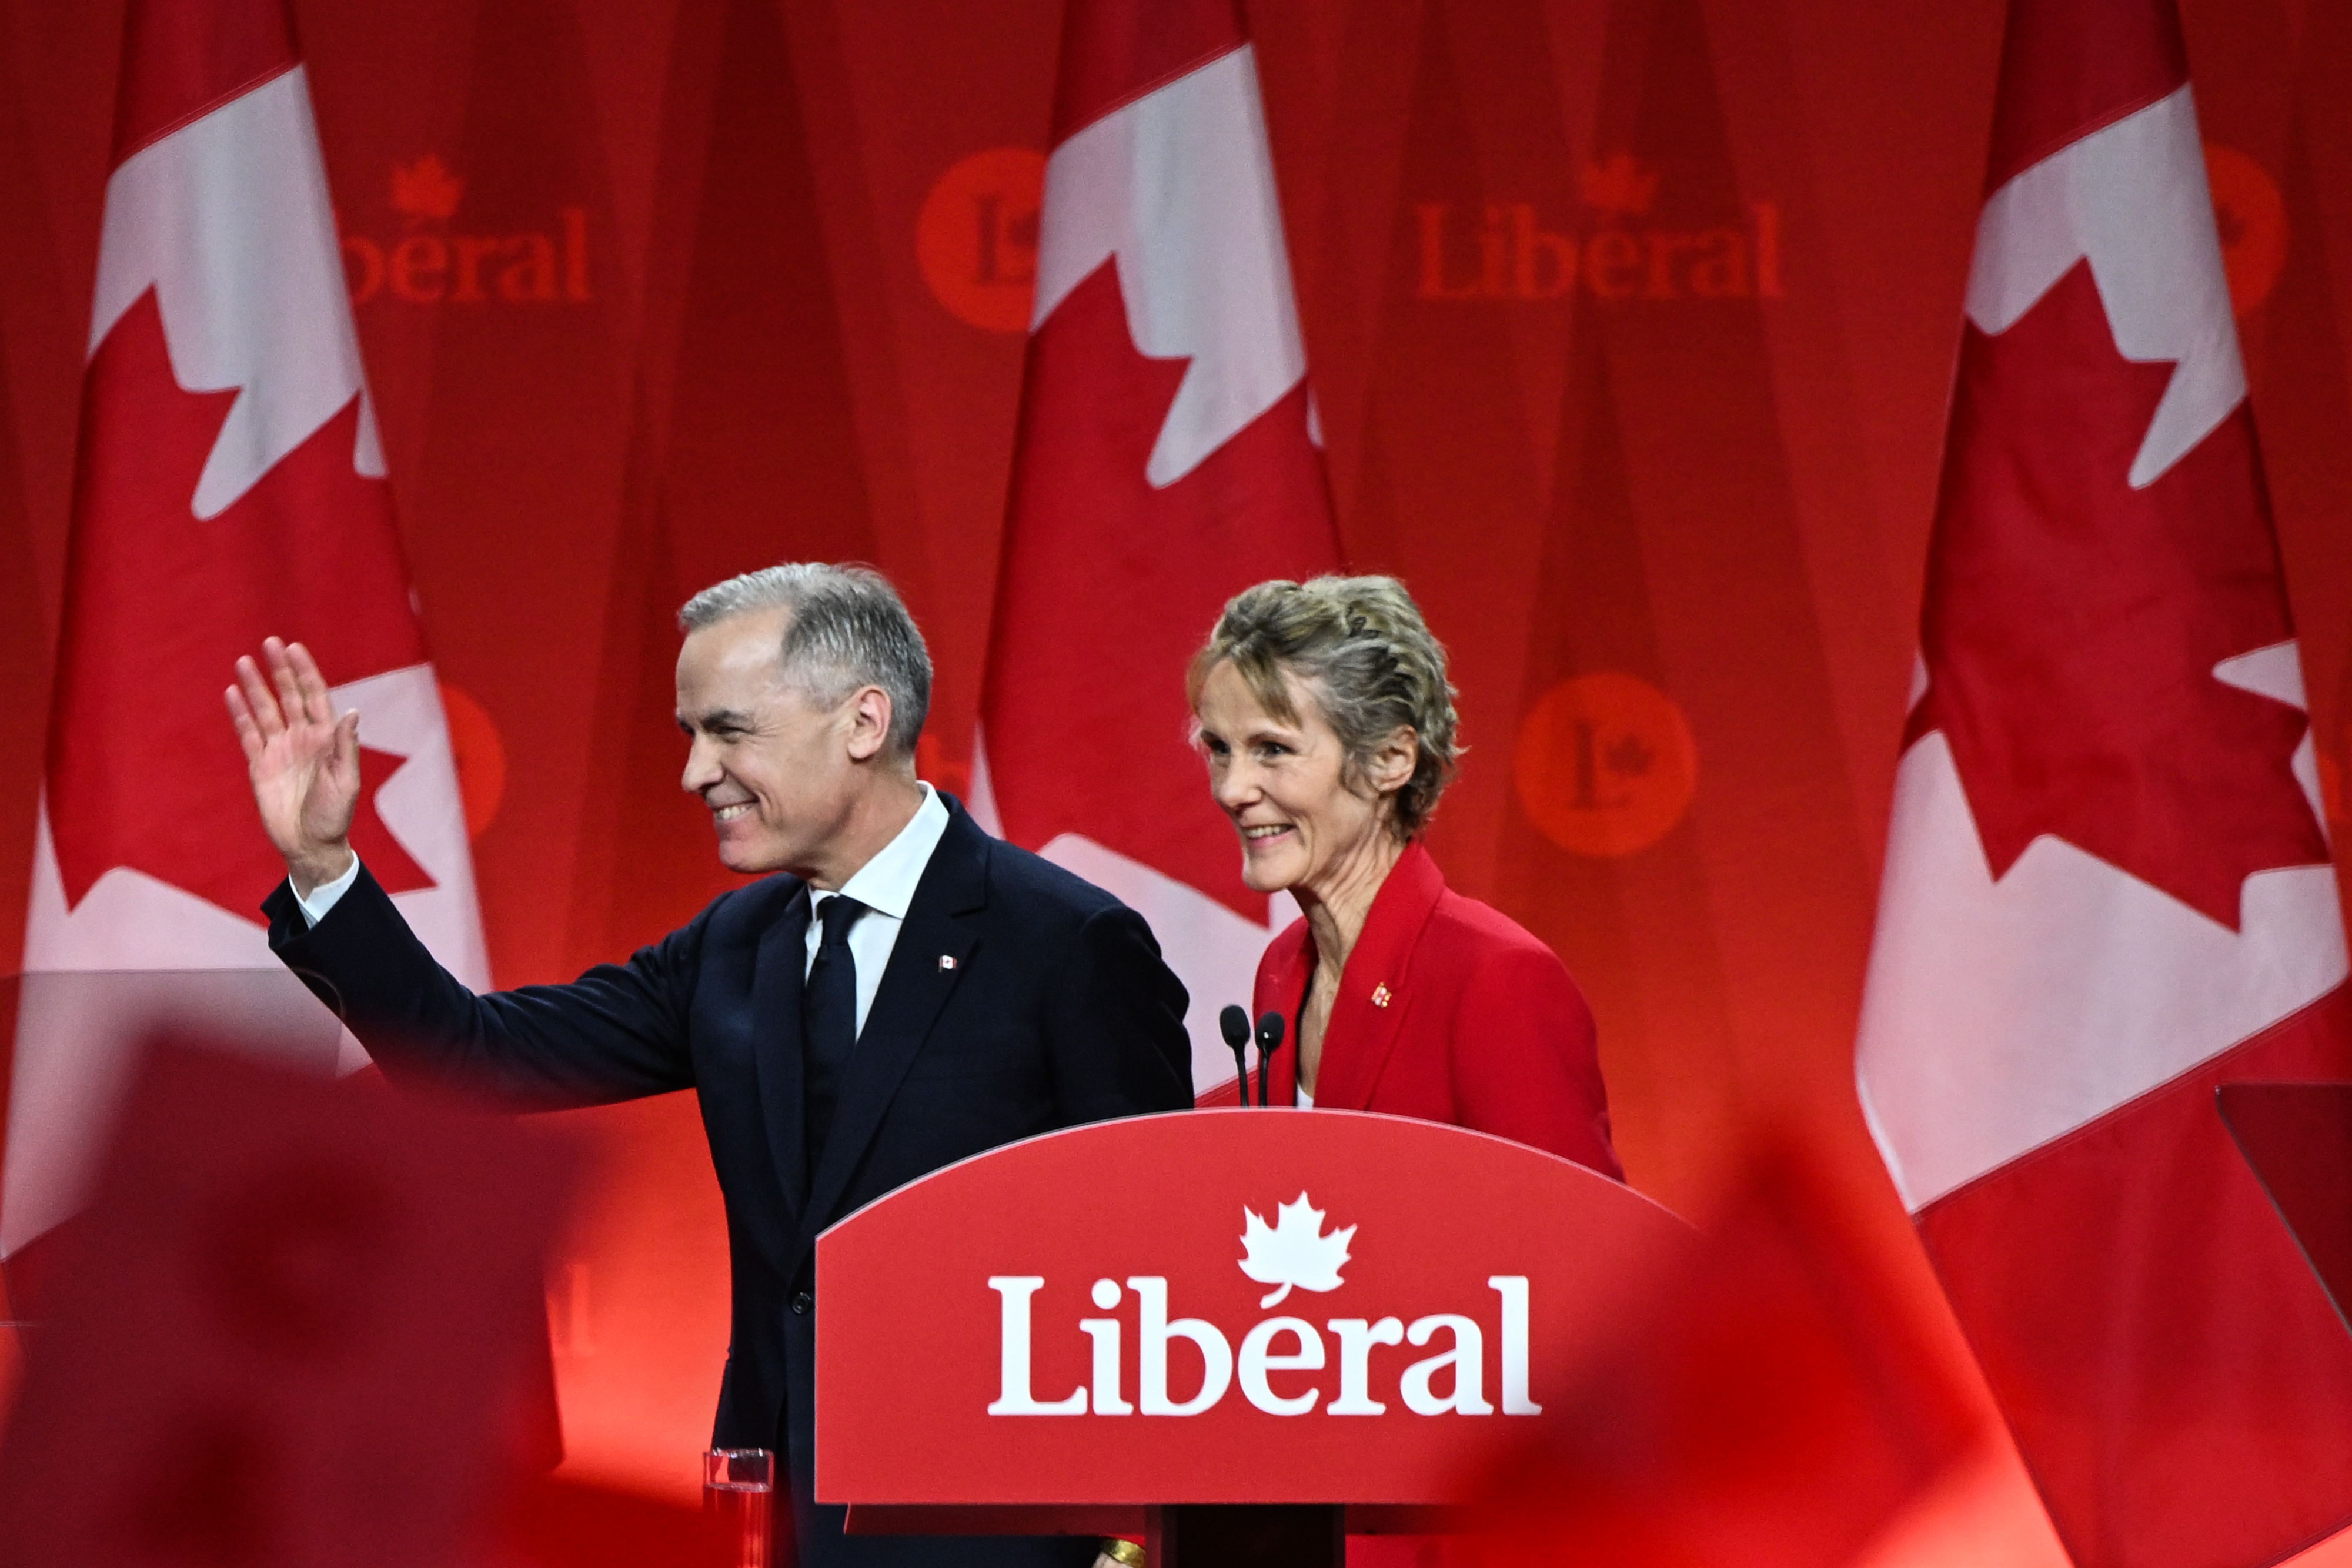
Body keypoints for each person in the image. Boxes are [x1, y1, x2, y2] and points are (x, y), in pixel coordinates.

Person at [227, 563, 1192, 1568]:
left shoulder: (1064, 943)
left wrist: (1129, 1540)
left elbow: (1156, 1260)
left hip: (997, 1531)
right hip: (775, 1521)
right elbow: (476, 1058)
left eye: (729, 731)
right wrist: (325, 867)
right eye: (692, 734)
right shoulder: (738, 944)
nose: (695, 772)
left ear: (863, 723)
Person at [1188, 575, 1620, 1178]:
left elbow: (1577, 1245)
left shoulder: (1498, 980)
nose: (1232, 789)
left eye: (1273, 750)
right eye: (1219, 748)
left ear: (1390, 760)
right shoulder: (1284, 968)